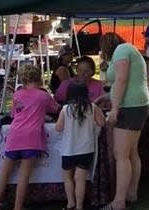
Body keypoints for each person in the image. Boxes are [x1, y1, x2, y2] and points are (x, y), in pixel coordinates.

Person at [0, 65, 59, 210]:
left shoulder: (17, 94)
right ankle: (18, 207)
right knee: (24, 175)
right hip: (32, 137)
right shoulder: (43, 96)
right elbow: (55, 108)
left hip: (15, 135)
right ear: (39, 78)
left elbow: (14, 114)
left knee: (5, 171)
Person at [105, 42, 149, 210]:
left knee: (120, 154)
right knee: (131, 152)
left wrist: (114, 108)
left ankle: (119, 201)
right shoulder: (129, 50)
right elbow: (124, 82)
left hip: (129, 107)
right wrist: (106, 97)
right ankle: (131, 193)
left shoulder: (121, 50)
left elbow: (121, 79)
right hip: (138, 104)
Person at [56, 81, 105, 210]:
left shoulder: (65, 109)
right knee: (80, 179)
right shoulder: (92, 107)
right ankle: (79, 206)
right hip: (86, 149)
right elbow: (101, 122)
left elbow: (58, 127)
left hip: (68, 149)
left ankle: (70, 203)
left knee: (68, 177)